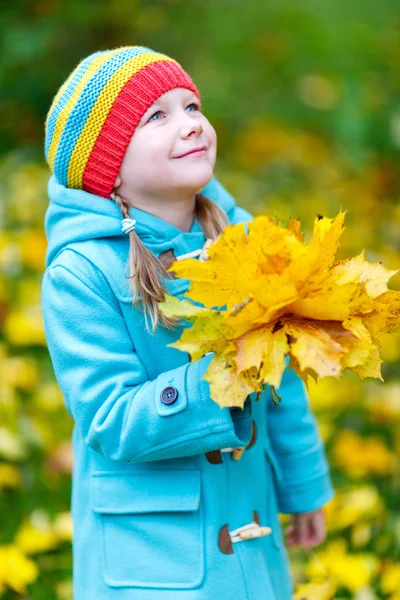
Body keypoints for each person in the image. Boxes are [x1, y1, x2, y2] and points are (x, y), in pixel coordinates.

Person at [41, 45, 335, 600]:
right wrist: (221, 377)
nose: (192, 125)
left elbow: (284, 379)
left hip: (250, 523)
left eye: (193, 106)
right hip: (154, 555)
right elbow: (110, 418)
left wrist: (302, 484)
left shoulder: (243, 241)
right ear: (109, 169)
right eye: (158, 116)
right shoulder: (81, 274)